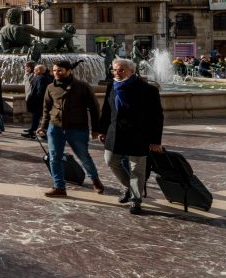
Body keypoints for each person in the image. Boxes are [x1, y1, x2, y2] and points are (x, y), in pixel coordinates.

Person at [97, 58, 164, 214]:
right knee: (111, 161)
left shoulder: (148, 89)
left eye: (121, 70)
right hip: (115, 133)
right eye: (114, 70)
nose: (117, 73)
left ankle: (135, 199)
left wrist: (155, 141)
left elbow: (157, 117)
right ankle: (130, 187)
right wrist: (103, 130)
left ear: (132, 71)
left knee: (137, 169)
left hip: (138, 135)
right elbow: (107, 110)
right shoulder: (111, 86)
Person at [37, 60, 105, 197]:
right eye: (54, 70)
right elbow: (46, 108)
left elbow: (94, 108)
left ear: (69, 71)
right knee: (54, 157)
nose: (56, 73)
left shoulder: (82, 86)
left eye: (60, 70)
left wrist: (96, 129)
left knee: (84, 156)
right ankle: (59, 187)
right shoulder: (51, 87)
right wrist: (43, 126)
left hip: (77, 128)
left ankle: (95, 179)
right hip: (55, 127)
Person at [22, 64, 53, 138]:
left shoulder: (41, 78)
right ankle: (34, 131)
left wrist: (34, 99)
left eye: (35, 70)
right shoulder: (46, 77)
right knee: (39, 117)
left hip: (39, 102)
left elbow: (40, 91)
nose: (34, 71)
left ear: (39, 70)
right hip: (42, 102)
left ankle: (35, 132)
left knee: (37, 117)